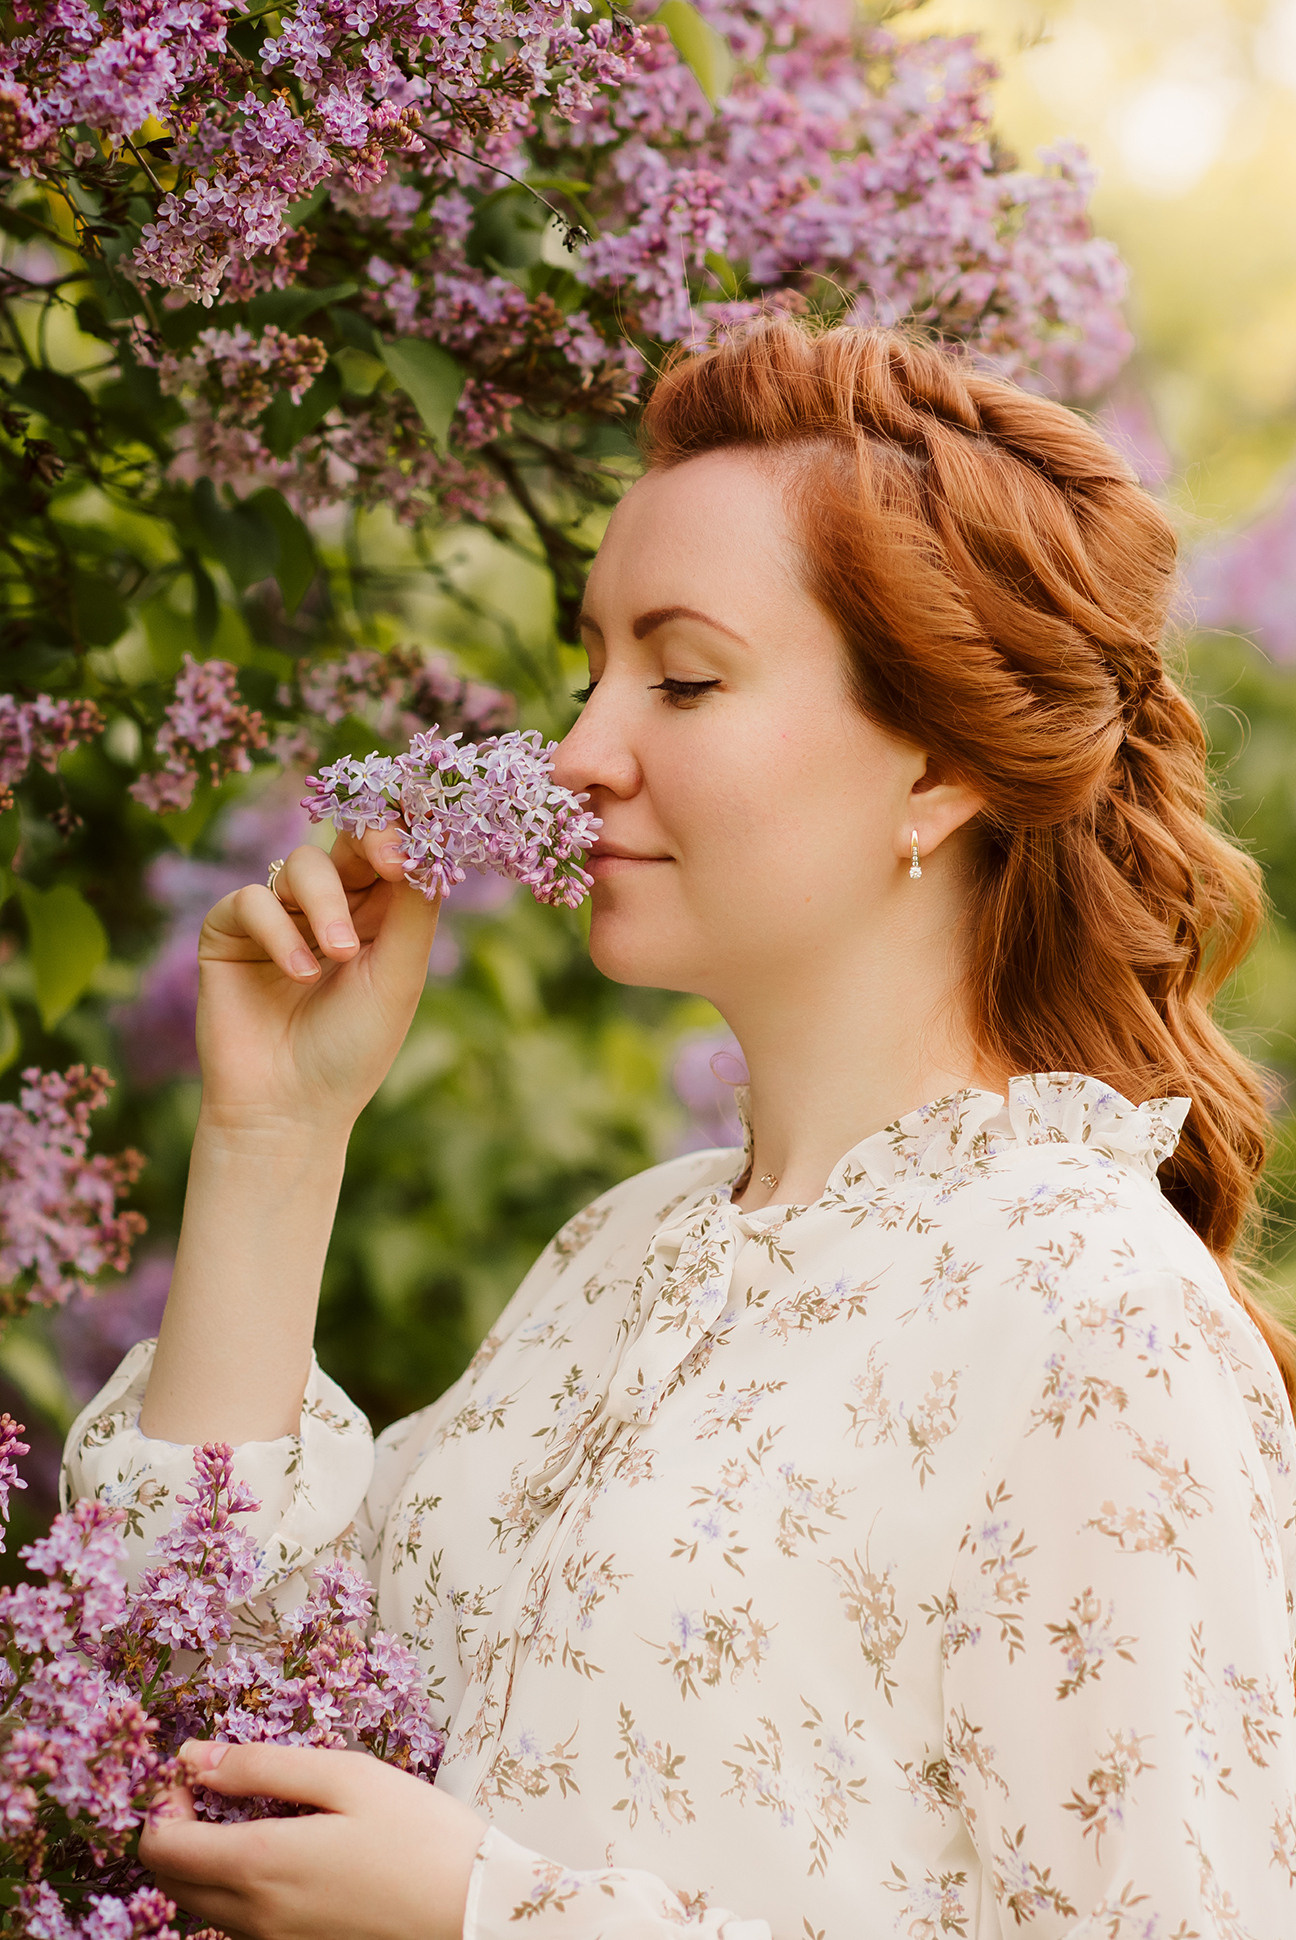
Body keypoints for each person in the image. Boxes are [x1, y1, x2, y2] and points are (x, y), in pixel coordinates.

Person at [63, 318, 1296, 1939]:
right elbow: (182, 1676)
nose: (577, 753)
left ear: (936, 768)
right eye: (590, 667)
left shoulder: (1092, 1319)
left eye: (685, 676)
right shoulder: (628, 1245)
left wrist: (493, 1922)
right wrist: (276, 1134)